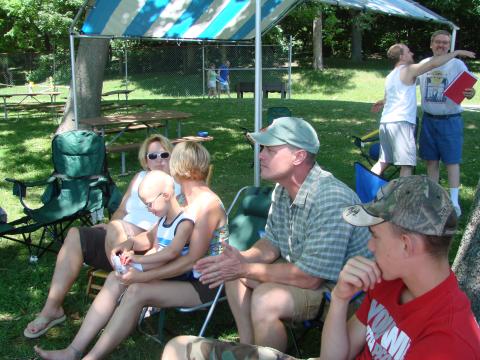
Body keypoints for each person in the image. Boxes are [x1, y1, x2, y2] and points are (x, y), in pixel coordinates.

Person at [162, 175, 480, 360]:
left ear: (407, 244)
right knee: (177, 350)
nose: (369, 247)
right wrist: (340, 298)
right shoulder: (389, 283)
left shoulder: (451, 340)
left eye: (374, 236)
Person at [34, 142, 228, 360]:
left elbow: (191, 261)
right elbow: (152, 236)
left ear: (182, 167)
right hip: (179, 275)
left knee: (136, 290)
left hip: (204, 283)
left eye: (171, 159)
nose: (166, 164)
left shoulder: (207, 205)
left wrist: (142, 276)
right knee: (115, 279)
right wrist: (130, 244)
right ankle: (73, 350)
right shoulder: (181, 199)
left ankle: (91, 357)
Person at [194, 117, 371, 352]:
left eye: (270, 149)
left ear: (298, 156)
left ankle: (265, 355)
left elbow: (311, 277)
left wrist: (244, 268)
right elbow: (272, 243)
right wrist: (240, 258)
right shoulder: (283, 189)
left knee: (266, 299)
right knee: (234, 276)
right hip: (304, 270)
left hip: (342, 293)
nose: (260, 155)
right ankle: (248, 350)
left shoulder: (330, 199)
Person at [23, 134, 176, 339]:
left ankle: (128, 288)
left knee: (114, 229)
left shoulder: (176, 183)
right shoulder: (139, 178)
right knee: (75, 235)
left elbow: (174, 224)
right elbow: (121, 210)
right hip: (121, 241)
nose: (158, 159)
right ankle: (52, 309)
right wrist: (113, 225)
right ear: (145, 159)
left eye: (164, 154)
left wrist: (118, 229)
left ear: (171, 156)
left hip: (146, 245)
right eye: (152, 155)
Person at [370, 43, 475, 178]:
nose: (412, 54)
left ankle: (366, 193)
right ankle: (404, 199)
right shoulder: (408, 70)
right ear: (401, 56)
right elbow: (433, 64)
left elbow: (391, 96)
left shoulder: (391, 75)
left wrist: (382, 101)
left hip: (386, 123)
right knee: (407, 165)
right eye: (408, 52)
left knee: (383, 162)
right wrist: (456, 52)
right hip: (401, 123)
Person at [418, 30, 477, 217]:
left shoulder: (457, 63)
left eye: (445, 43)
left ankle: (454, 202)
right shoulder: (423, 65)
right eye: (438, 42)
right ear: (431, 44)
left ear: (449, 46)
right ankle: (433, 198)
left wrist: (470, 94)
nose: (441, 45)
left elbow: (470, 89)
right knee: (431, 161)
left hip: (450, 120)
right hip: (429, 120)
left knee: (452, 161)